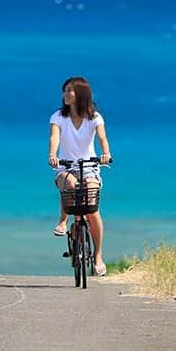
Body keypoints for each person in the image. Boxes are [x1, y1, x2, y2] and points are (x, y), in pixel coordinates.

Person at [47, 76, 112, 276]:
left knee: (92, 207)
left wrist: (106, 154)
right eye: (64, 90)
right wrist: (52, 155)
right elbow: (54, 137)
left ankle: (98, 256)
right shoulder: (58, 117)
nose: (66, 94)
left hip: (90, 167)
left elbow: (102, 138)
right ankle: (63, 221)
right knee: (71, 185)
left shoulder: (94, 118)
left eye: (70, 91)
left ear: (81, 94)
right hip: (65, 167)